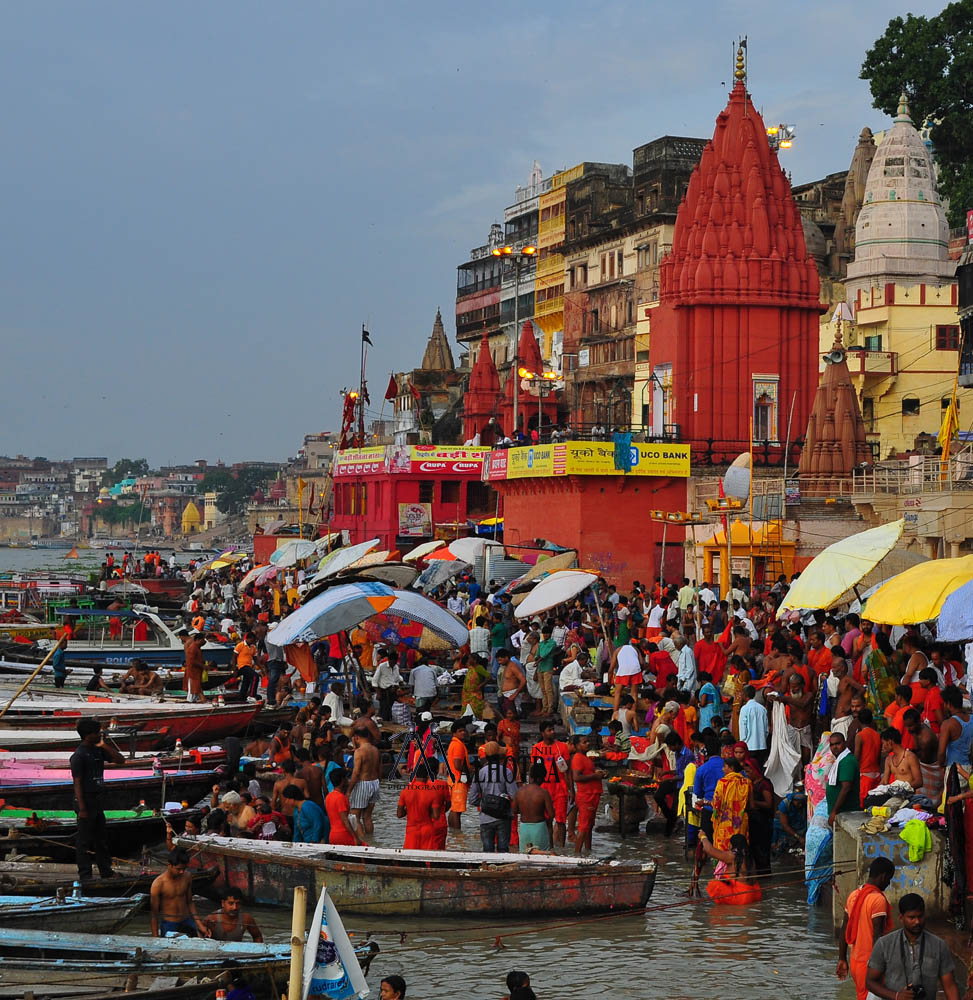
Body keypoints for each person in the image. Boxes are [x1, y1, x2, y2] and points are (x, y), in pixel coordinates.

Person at [865, 893, 960, 1000]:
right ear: (901, 918)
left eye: (920, 916)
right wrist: (896, 996)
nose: (917, 922)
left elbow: (950, 986)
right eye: (911, 918)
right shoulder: (884, 944)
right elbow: (870, 982)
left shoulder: (939, 945)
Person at [71, 717, 124, 881]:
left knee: (101, 839)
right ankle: (85, 875)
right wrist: (82, 808)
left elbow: (120, 760)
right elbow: (77, 784)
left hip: (97, 800)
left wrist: (104, 745)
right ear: (88, 735)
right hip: (85, 801)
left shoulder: (98, 750)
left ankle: (105, 871)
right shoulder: (78, 756)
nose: (100, 735)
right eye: (97, 733)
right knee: (84, 841)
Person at [837, 857, 894, 1000]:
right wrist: (880, 967)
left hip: (855, 962)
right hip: (870, 965)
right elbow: (878, 936)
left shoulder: (853, 895)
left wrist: (842, 959)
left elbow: (844, 929)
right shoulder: (877, 899)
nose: (888, 883)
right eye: (889, 879)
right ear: (884, 876)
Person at [468, 741, 518, 852]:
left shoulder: (479, 773)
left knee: (487, 850)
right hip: (503, 817)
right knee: (503, 850)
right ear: (500, 755)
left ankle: (487, 869)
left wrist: (485, 802)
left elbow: (472, 799)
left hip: (485, 817)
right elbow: (514, 795)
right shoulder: (507, 772)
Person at [529, 720, 573, 849]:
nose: (552, 732)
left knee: (561, 820)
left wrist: (572, 790)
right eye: (549, 730)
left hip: (560, 788)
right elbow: (533, 771)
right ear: (542, 733)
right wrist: (531, 789)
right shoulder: (537, 748)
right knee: (546, 820)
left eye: (553, 729)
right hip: (543, 788)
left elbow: (568, 770)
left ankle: (563, 848)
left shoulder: (562, 747)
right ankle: (551, 847)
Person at [150, 848, 210, 937]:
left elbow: (190, 902)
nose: (181, 872)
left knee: (202, 938)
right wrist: (155, 938)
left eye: (184, 868)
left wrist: (200, 925)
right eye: (178, 869)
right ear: (169, 865)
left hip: (187, 920)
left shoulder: (187, 876)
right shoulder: (158, 884)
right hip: (169, 923)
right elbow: (154, 914)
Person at [396, 755, 445, 850]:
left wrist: (409, 809)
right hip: (427, 830)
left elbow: (399, 814)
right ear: (427, 776)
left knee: (410, 858)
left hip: (411, 831)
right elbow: (436, 816)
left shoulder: (405, 792)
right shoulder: (432, 792)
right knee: (427, 859)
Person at [571, 734, 605, 855]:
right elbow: (576, 777)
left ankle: (587, 852)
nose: (588, 744)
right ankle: (576, 855)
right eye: (584, 742)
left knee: (589, 827)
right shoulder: (578, 758)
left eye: (588, 742)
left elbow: (586, 773)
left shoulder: (586, 758)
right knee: (583, 827)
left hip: (593, 794)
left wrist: (597, 773)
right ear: (576, 746)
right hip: (586, 796)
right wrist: (595, 776)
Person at [512, 761, 555, 852]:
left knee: (524, 856)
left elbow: (514, 810)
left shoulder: (520, 792)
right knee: (542, 856)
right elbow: (551, 814)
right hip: (539, 828)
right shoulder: (543, 793)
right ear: (541, 777)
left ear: (530, 776)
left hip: (524, 828)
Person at [347, 730, 381, 840]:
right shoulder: (376, 750)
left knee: (354, 816)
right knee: (367, 817)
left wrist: (348, 790)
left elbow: (356, 773)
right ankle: (371, 841)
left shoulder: (359, 751)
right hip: (375, 783)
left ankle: (362, 842)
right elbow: (379, 771)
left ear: (356, 737)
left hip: (363, 784)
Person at [826, 732, 861, 826]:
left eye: (838, 743)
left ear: (844, 744)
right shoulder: (840, 760)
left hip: (846, 812)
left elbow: (846, 788)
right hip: (841, 812)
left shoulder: (847, 761)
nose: (835, 747)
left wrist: (834, 811)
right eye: (832, 745)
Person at [325, 767, 364, 846]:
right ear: (343, 780)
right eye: (346, 778)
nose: (348, 781)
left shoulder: (328, 797)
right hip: (343, 834)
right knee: (365, 849)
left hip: (332, 835)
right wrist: (355, 837)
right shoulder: (340, 798)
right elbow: (345, 820)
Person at [446, 720, 471, 830]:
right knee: (457, 810)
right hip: (458, 780)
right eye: (460, 731)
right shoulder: (458, 745)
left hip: (453, 780)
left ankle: (452, 832)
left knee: (454, 808)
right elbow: (457, 765)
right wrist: (469, 772)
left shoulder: (454, 744)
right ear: (454, 733)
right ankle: (457, 834)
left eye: (464, 730)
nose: (463, 733)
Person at [738, 685, 769, 763]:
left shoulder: (744, 709)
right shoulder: (762, 708)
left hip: (749, 745)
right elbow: (766, 729)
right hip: (762, 745)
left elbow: (743, 728)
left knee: (750, 768)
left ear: (745, 695)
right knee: (759, 767)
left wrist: (743, 742)